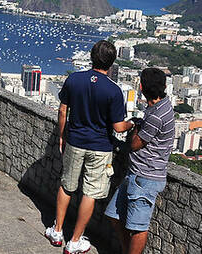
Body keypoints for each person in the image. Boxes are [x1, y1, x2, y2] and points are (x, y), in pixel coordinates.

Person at [44, 40, 134, 253]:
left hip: (75, 141)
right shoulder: (114, 91)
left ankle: (57, 231)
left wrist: (61, 135)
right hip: (101, 147)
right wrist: (134, 123)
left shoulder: (74, 79)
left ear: (92, 57)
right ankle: (74, 241)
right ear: (111, 63)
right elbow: (119, 127)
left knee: (66, 185)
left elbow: (63, 110)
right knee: (90, 193)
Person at [105, 68, 174, 254]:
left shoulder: (156, 115)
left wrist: (136, 125)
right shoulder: (160, 107)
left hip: (146, 177)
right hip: (135, 174)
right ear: (164, 87)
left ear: (142, 87)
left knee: (137, 227)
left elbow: (135, 144)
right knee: (113, 215)